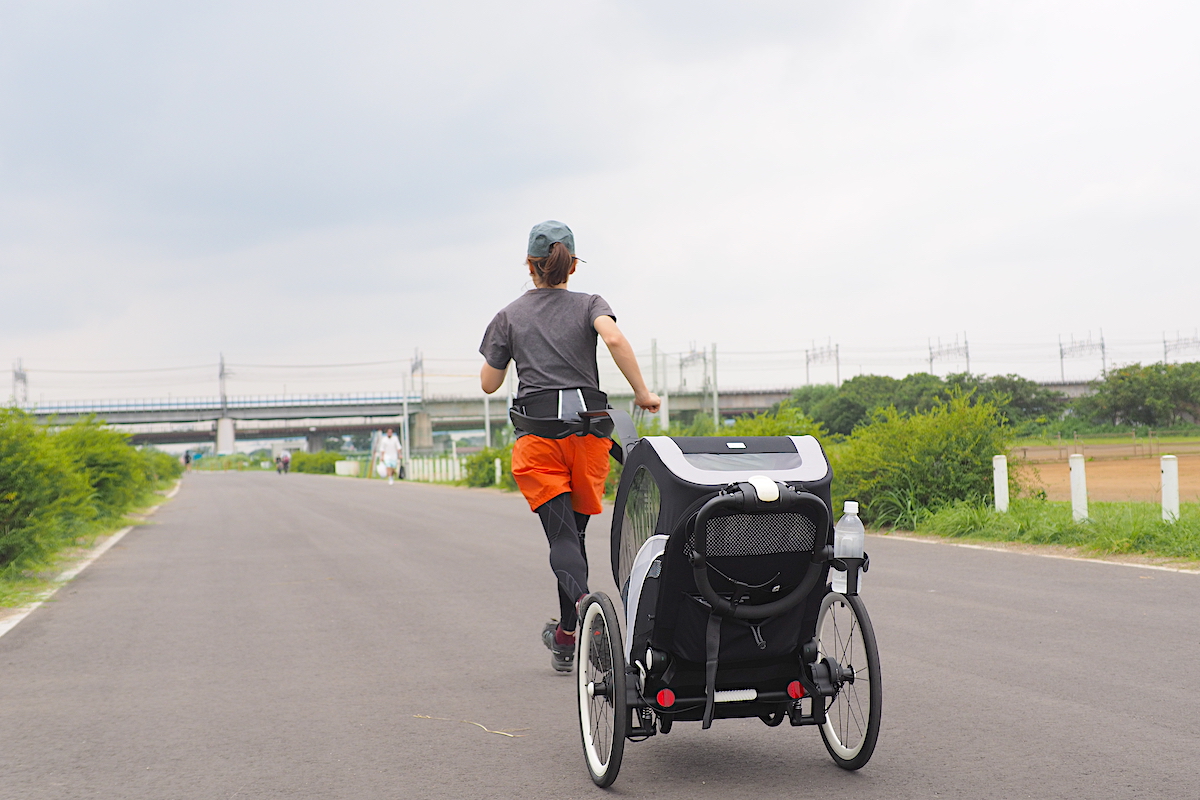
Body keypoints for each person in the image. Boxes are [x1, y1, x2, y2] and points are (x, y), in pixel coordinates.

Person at [480, 220, 660, 672]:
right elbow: (614, 337)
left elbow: (488, 383)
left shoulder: (509, 315)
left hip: (540, 439)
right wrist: (642, 393)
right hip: (589, 438)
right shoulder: (590, 304)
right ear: (573, 265)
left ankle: (583, 608)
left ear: (530, 264)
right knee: (574, 539)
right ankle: (566, 636)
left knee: (562, 539)